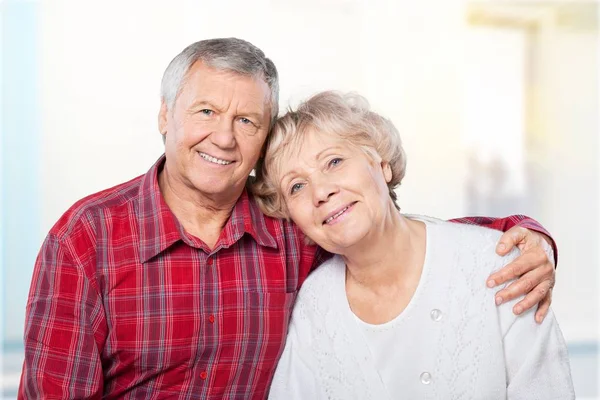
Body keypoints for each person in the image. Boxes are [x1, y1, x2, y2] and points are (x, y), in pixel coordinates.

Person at [19, 38, 558, 399]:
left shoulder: (291, 228)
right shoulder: (86, 240)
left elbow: (391, 235)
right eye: (205, 111)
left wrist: (527, 237)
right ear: (165, 115)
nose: (224, 137)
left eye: (247, 120)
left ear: (262, 140)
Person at [255, 91, 574, 399]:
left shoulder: (500, 266)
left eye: (334, 161)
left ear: (382, 166)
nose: (320, 191)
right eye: (296, 186)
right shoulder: (314, 305)